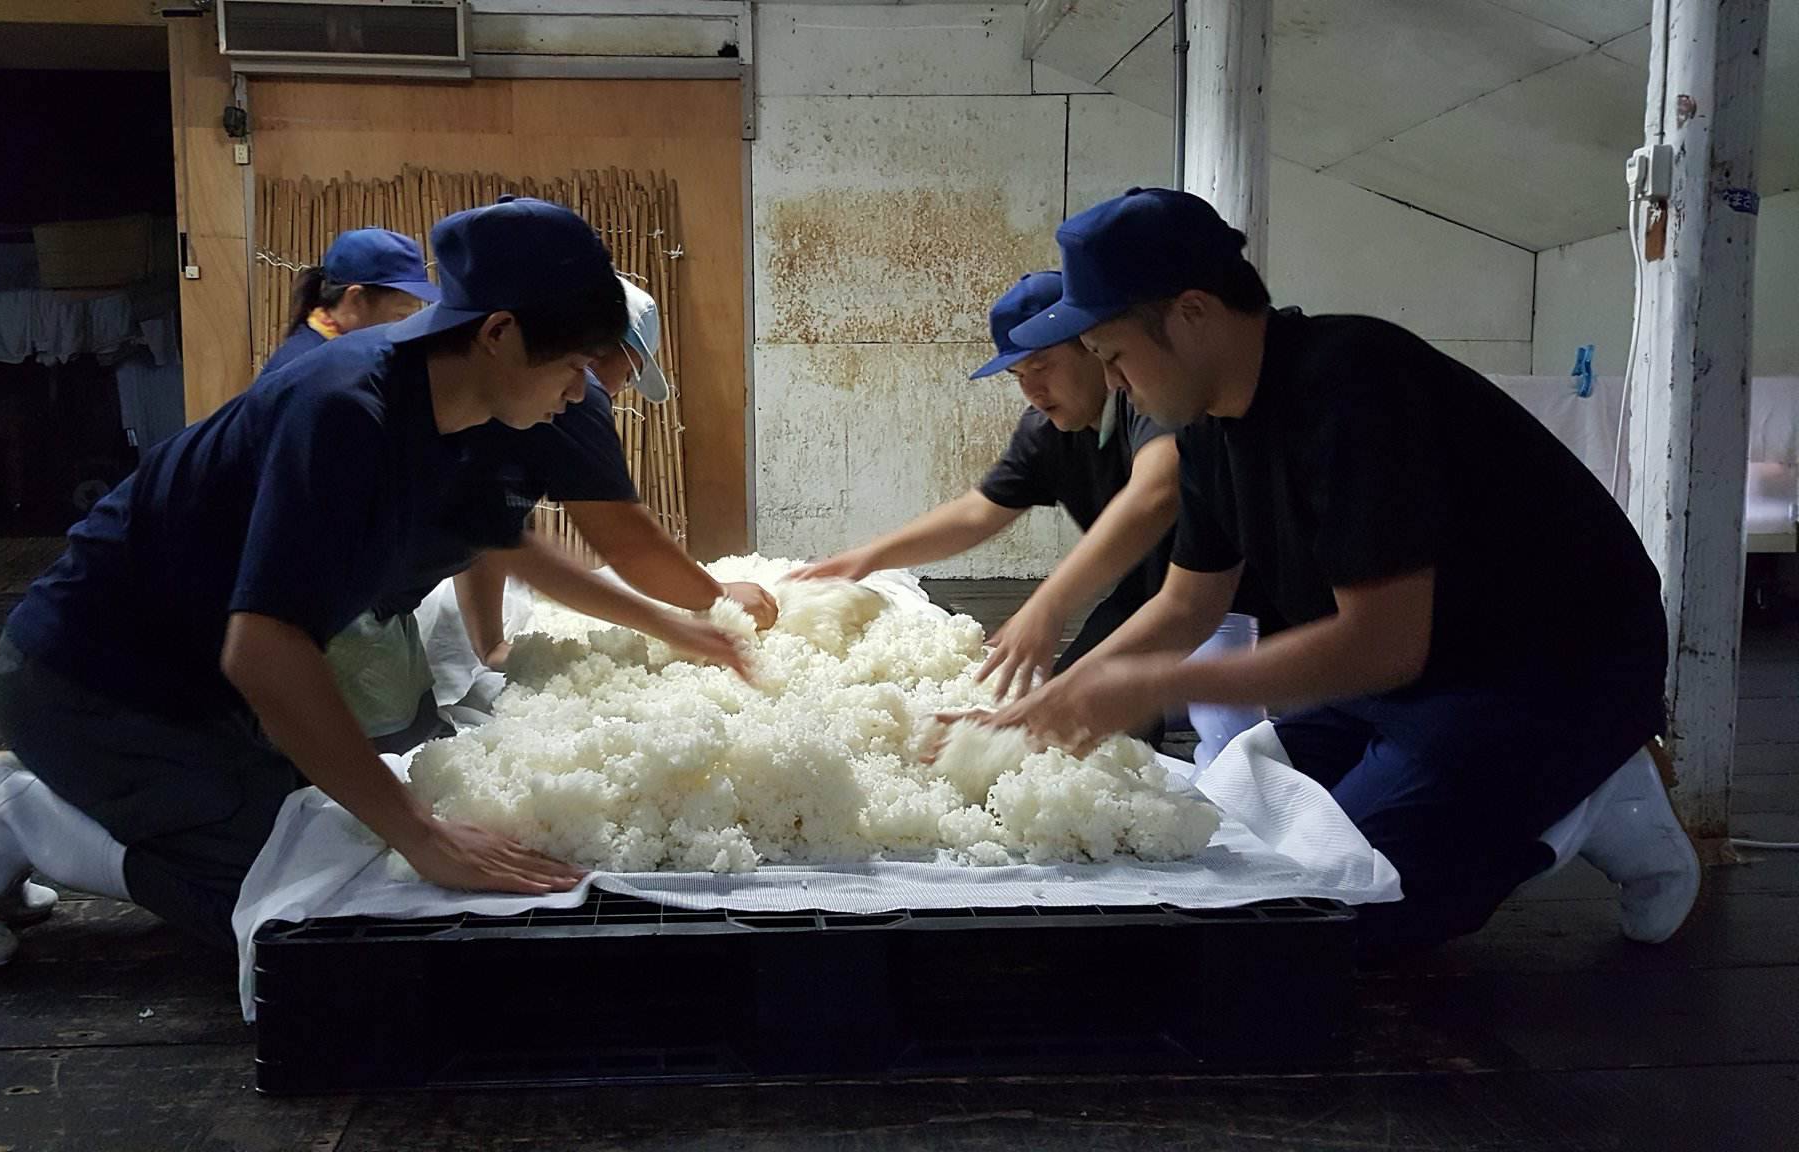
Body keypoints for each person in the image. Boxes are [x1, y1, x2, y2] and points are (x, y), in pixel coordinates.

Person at [0, 198, 750, 969]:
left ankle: (126, 802)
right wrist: (422, 832)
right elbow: (264, 648)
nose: (582, 395)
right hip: (95, 681)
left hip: (201, 693)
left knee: (334, 842)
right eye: (574, 366)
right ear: (498, 334)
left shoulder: (471, 413)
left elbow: (513, 543)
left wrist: (677, 628)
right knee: (302, 907)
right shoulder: (347, 410)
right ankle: (11, 811)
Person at [983, 187, 1700, 957]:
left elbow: (1383, 644)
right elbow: (1189, 603)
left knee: (1346, 908)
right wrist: (1051, 700)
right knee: (1230, 824)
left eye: (1115, 357)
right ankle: (1511, 785)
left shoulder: (1351, 385)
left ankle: (1600, 788)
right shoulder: (1210, 432)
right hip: (1417, 679)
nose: (1116, 385)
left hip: (1554, 672)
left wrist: (1153, 685)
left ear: (1193, 312)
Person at [796, 271, 1179, 703]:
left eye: (1041, 366)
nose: (1032, 390)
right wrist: (867, 558)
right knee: (1071, 707)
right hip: (1149, 592)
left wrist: (1048, 604)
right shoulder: (1046, 432)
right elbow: (977, 513)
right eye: (1018, 375)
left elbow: (1156, 491)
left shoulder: (1148, 398)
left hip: (1224, 598)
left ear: (1094, 348)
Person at [449, 274, 777, 672]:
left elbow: (489, 534)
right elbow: (625, 542)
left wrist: (489, 646)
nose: (614, 392)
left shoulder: (514, 403)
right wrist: (717, 597)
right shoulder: (575, 395)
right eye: (629, 375)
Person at [264, 227, 438, 375]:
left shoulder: (344, 355)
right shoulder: (309, 371)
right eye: (402, 315)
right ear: (355, 298)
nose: (409, 326)